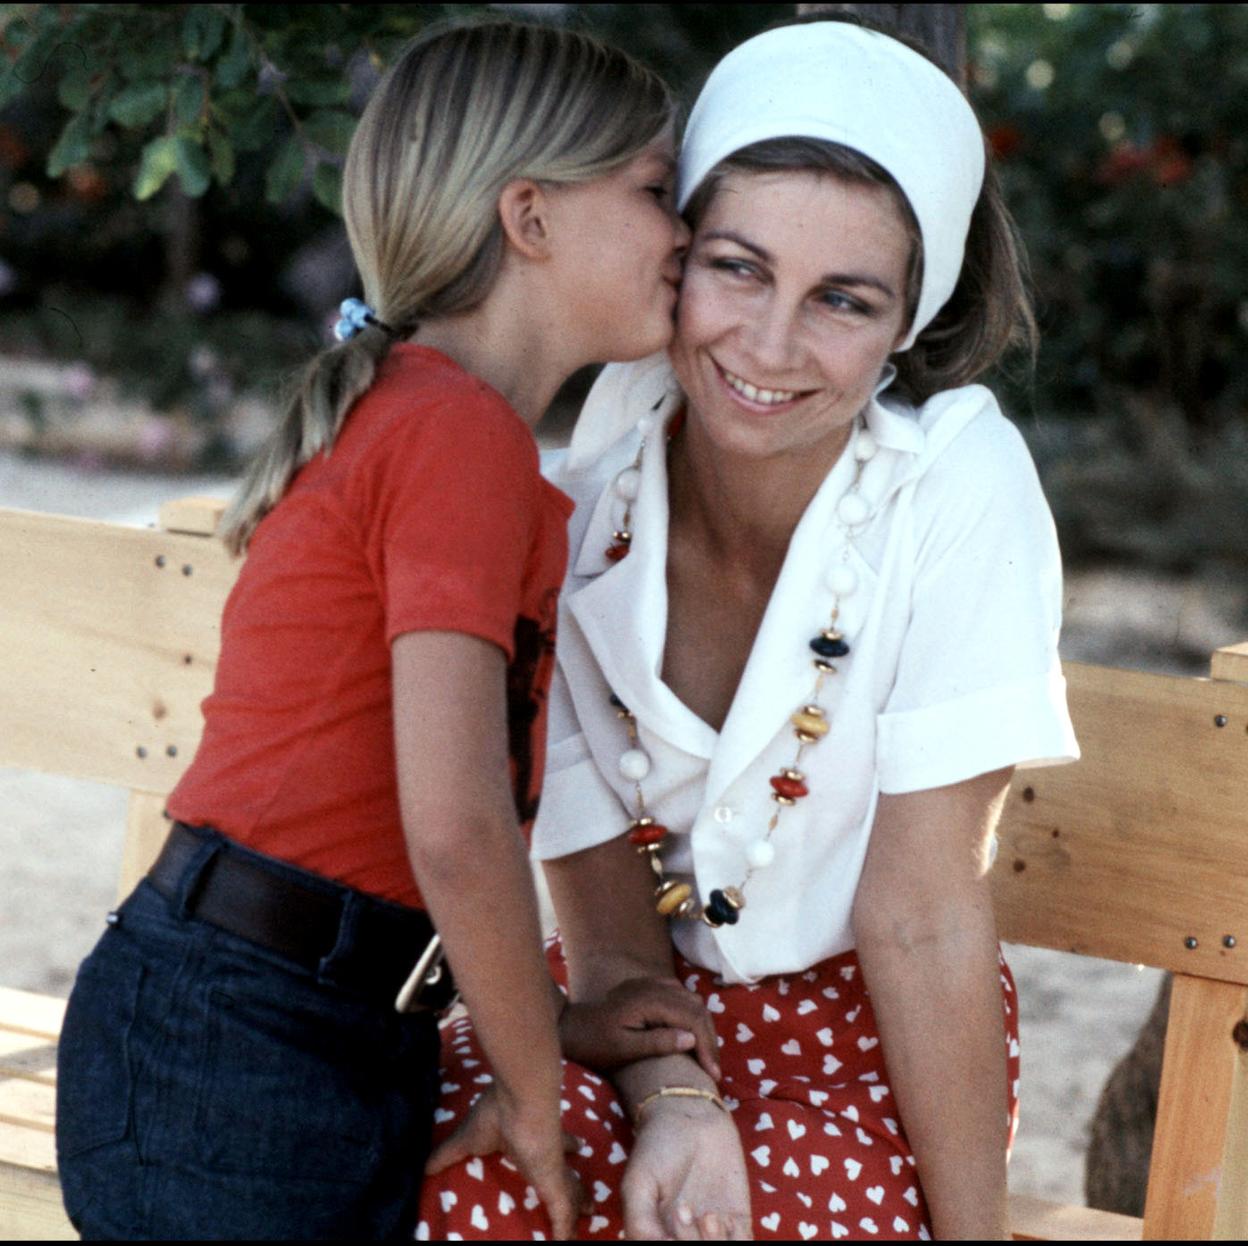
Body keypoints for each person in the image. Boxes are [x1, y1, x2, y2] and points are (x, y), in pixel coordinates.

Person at [420, 15, 1079, 1242]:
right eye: (737, 267)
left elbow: (924, 914)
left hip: (869, 1024)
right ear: (675, 254)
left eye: (843, 299)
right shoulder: (582, 487)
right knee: (465, 1186)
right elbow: (597, 902)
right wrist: (673, 1097)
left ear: (910, 320)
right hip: (618, 1004)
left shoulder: (956, 490)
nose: (769, 346)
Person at [54, 18, 714, 1241]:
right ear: (530, 217)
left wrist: (543, 1022)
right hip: (236, 1054)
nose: (686, 233)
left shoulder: (448, 425)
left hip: (320, 1027)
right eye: (655, 191)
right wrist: (532, 1094)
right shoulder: (452, 433)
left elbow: (395, 838)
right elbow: (457, 822)